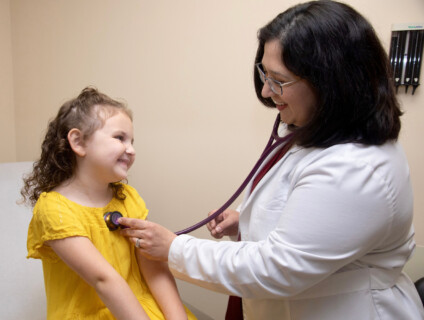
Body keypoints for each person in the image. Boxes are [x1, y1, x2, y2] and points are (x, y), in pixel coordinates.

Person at [118, 1, 424, 319]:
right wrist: (247, 220)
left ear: (331, 81)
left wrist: (174, 249)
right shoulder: (312, 131)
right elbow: (310, 215)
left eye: (279, 80)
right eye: (265, 73)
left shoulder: (356, 167)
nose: (265, 91)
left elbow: (278, 268)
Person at [21, 87, 196, 320]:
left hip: (139, 310)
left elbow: (153, 267)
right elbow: (104, 280)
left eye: (132, 141)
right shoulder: (55, 210)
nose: (131, 150)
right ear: (78, 142)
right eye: (120, 138)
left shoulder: (128, 198)